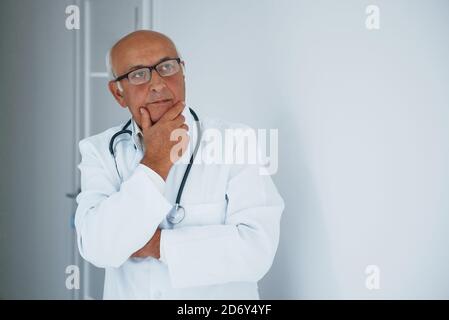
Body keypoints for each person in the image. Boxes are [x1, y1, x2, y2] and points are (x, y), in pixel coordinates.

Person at [75, 30, 284, 299]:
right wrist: (155, 163)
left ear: (182, 72)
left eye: (166, 67)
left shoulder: (235, 142)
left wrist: (157, 245)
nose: (158, 83)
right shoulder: (99, 150)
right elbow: (98, 247)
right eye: (138, 73)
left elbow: (256, 251)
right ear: (118, 93)